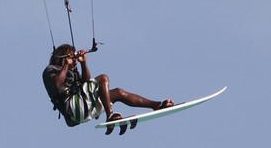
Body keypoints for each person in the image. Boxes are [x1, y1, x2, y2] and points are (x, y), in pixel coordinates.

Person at [42, 44, 173, 128]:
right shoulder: (50, 70)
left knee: (118, 93)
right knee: (103, 78)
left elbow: (85, 82)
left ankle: (156, 105)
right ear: (64, 57)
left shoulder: (71, 71)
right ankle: (110, 115)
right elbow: (58, 84)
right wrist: (66, 64)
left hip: (82, 107)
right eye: (72, 56)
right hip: (72, 108)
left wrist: (83, 64)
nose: (74, 60)